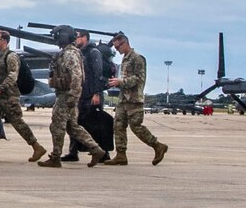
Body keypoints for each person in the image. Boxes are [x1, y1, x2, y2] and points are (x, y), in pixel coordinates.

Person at [0, 28, 45, 163]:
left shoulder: (11, 56)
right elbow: (1, 75)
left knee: (17, 122)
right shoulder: (0, 56)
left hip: (9, 96)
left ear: (4, 41)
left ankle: (36, 146)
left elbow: (12, 76)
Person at [42, 25, 107, 168]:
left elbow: (77, 76)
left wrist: (72, 96)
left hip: (67, 95)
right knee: (72, 127)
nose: (56, 39)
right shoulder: (69, 52)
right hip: (67, 94)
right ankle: (96, 150)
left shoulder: (70, 54)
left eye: (58, 35)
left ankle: (55, 157)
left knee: (57, 125)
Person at [107, 32, 168, 165]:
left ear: (125, 43)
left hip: (134, 99)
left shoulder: (137, 58)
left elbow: (138, 78)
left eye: (118, 47)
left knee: (136, 126)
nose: (117, 50)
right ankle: (121, 155)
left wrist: (120, 82)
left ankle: (158, 146)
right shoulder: (125, 59)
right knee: (118, 126)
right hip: (123, 99)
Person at [65, 30, 110, 161]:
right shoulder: (79, 53)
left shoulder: (93, 52)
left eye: (77, 37)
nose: (75, 39)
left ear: (85, 38)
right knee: (74, 123)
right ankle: (73, 152)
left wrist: (96, 94)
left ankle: (104, 153)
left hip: (91, 94)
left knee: (96, 124)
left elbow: (98, 74)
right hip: (81, 94)